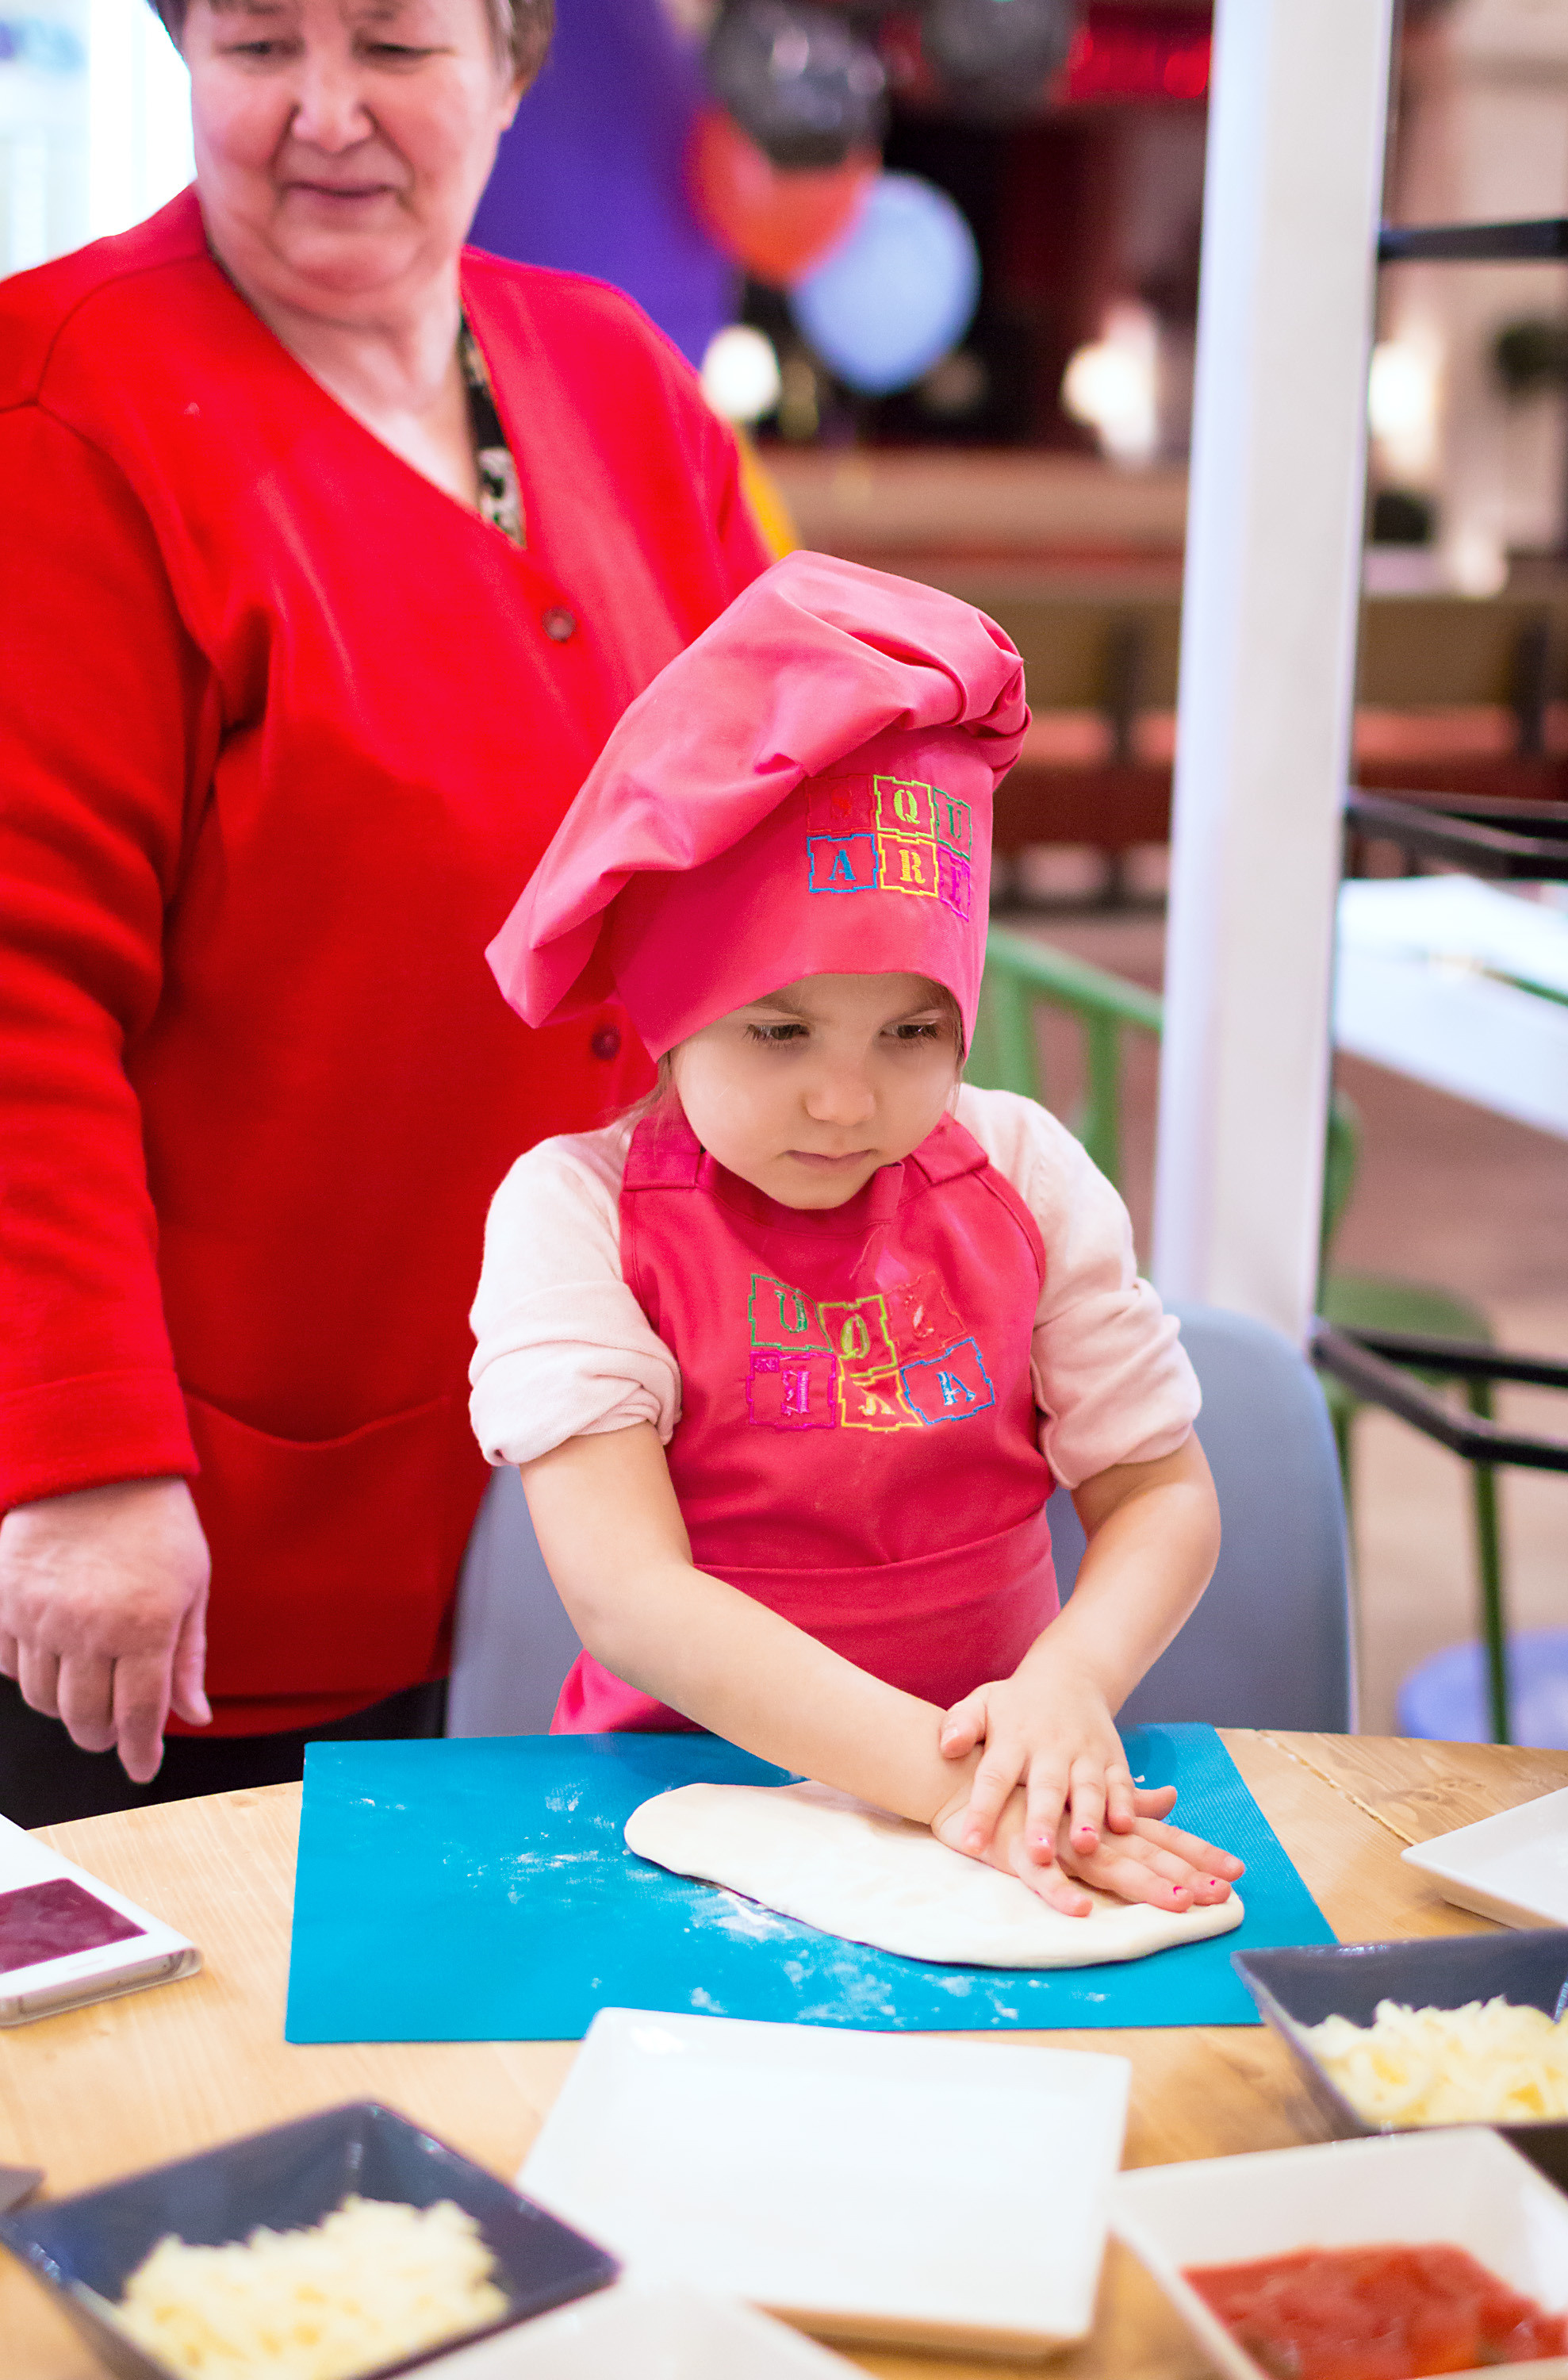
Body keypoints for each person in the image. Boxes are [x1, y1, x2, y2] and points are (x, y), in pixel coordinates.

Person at [0, 0, 768, 1827]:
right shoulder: (63, 402)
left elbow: (774, 828)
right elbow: (21, 991)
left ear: (510, 71)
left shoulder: (613, 372)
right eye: (259, 43)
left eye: (397, 49)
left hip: (632, 1513)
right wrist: (79, 1455)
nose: (324, 114)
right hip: (217, 1545)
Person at [470, 555, 1244, 1914]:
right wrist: (950, 1788)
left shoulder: (1021, 1175)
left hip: (1004, 1811)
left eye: (912, 1033)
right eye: (778, 1031)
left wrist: (1064, 1688)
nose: (845, 1098)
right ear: (670, 1010)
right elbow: (631, 1599)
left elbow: (1161, 1496)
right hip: (669, 1812)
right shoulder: (576, 1214)